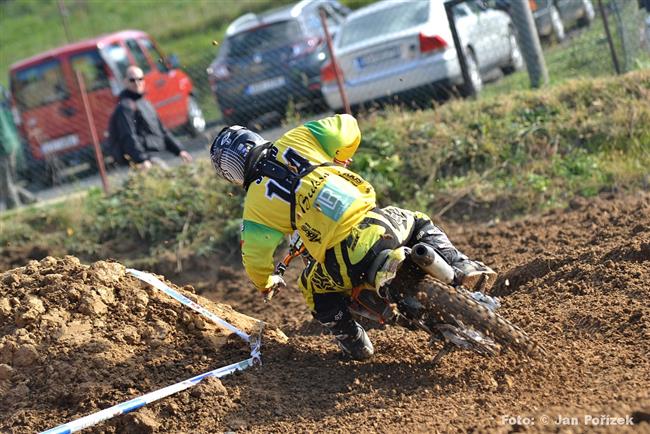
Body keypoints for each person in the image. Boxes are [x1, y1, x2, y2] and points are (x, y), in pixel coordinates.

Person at [209, 114, 496, 361]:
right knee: (419, 222)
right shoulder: (299, 137)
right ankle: (462, 266)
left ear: (230, 174)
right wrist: (341, 158)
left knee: (313, 289)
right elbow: (348, 125)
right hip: (377, 226)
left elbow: (254, 259)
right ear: (254, 138)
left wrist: (266, 282)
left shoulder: (256, 207)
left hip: (340, 263)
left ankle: (353, 340)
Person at [107, 66, 192, 170]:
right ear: (125, 82)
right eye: (132, 80)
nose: (137, 83)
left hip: (155, 154)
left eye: (140, 79)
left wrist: (179, 150)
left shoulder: (145, 103)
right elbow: (128, 136)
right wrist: (142, 159)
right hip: (144, 160)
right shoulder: (126, 107)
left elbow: (162, 131)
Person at [0, 85, 36, 211]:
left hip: (3, 148)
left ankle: (14, 208)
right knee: (6, 181)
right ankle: (28, 198)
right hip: (9, 144)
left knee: (5, 182)